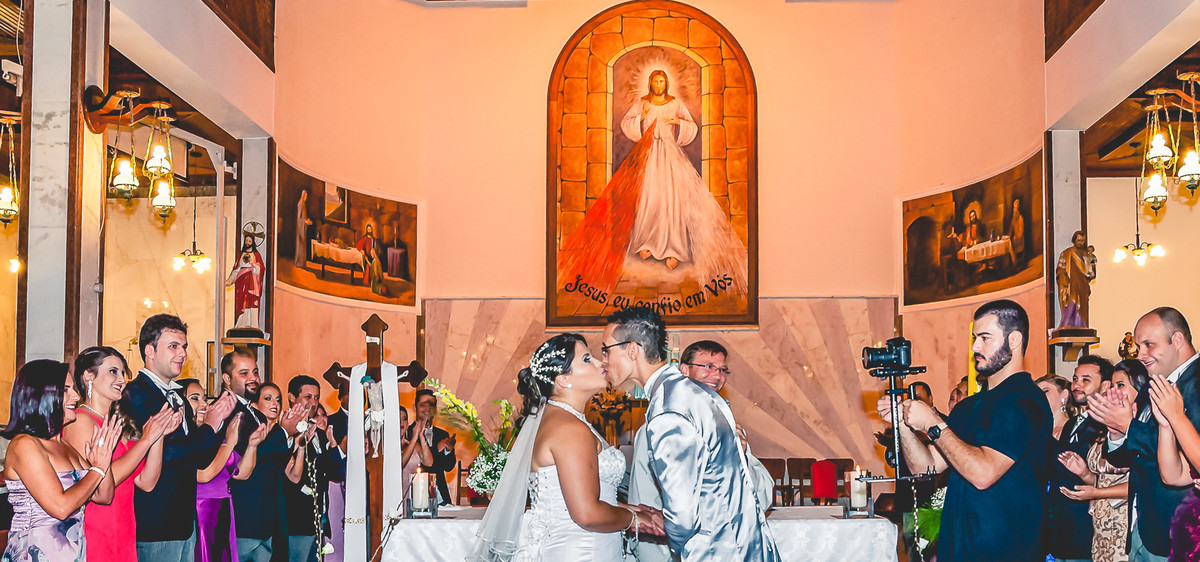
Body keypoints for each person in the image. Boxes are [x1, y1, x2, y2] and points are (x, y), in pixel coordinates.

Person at [877, 299, 1051, 562]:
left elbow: (983, 474)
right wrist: (900, 424)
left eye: (985, 338)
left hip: (1007, 550)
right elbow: (925, 468)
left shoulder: (1025, 401)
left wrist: (934, 424)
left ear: (1014, 340)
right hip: (958, 548)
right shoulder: (968, 406)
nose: (975, 347)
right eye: (974, 338)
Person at [604, 307, 778, 561]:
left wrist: (676, 543)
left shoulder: (667, 410)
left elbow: (683, 516)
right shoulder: (697, 395)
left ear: (632, 350)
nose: (604, 361)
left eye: (606, 349)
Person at [469, 333, 662, 561]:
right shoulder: (570, 428)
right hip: (582, 550)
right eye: (587, 359)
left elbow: (569, 494)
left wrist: (631, 509)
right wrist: (637, 520)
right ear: (563, 379)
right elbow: (587, 513)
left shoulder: (560, 419)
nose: (600, 362)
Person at [1088, 307, 1200, 562]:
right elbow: (1137, 454)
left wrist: (1129, 426)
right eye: (1139, 346)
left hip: (1179, 531)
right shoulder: (1158, 384)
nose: (1141, 355)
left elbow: (1187, 454)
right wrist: (1116, 432)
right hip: (1143, 524)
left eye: (1149, 345)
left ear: (1178, 340)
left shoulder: (1196, 382)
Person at [122, 313, 237, 562]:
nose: (182, 353)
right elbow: (166, 453)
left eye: (184, 346)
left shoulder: (179, 398)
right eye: (173, 346)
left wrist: (218, 428)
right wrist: (209, 427)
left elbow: (201, 457)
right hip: (155, 523)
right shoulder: (135, 394)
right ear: (149, 351)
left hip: (184, 522)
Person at [63, 346, 180, 561]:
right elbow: (100, 481)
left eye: (123, 372)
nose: (122, 379)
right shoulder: (79, 421)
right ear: (89, 376)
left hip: (125, 527)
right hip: (97, 525)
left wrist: (158, 436)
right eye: (113, 371)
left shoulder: (119, 425)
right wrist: (145, 440)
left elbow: (147, 482)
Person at [1, 361, 123, 562]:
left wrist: (104, 456)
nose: (76, 396)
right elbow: (61, 508)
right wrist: (97, 469)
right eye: (66, 390)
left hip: (72, 552)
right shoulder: (25, 445)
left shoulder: (66, 446)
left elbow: (104, 495)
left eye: (74, 389)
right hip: (36, 554)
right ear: (41, 395)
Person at [220, 351, 302, 562]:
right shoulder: (227, 410)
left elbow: (271, 464)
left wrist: (291, 438)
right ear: (227, 379)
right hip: (243, 517)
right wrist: (284, 432)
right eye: (244, 373)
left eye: (255, 372)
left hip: (262, 518)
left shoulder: (251, 413)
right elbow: (249, 459)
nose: (253, 378)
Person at [1059, 360, 1144, 562]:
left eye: (1120, 385)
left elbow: (1141, 482)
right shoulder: (1103, 426)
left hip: (1125, 523)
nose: (1114, 391)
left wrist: (1098, 493)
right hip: (1101, 523)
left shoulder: (1143, 428)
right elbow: (1101, 478)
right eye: (1113, 386)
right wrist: (1084, 473)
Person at [177, 379, 268, 562]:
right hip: (200, 510)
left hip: (224, 508)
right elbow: (203, 475)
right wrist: (229, 443)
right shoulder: (185, 438)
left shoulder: (214, 436)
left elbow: (242, 473)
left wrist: (252, 445)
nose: (203, 404)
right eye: (195, 399)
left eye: (204, 398)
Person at [1044, 356, 1113, 562]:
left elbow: (1113, 477)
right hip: (1061, 525)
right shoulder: (1072, 423)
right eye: (1075, 379)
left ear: (1105, 385)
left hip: (1086, 526)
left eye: (1086, 380)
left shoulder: (1106, 425)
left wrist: (1084, 472)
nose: (1077, 385)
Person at [408, 389, 457, 506]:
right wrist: (437, 448)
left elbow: (448, 467)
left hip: (441, 497)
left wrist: (448, 451)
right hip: (414, 496)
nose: (427, 409)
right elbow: (423, 464)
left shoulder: (443, 435)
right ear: (415, 407)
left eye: (431, 405)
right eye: (423, 405)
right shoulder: (407, 433)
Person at [1056, 230, 1096, 329]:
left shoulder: (1087, 254)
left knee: (1082, 306)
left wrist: (1091, 262)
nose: (1081, 243)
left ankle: (1081, 324)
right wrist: (1063, 277)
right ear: (1074, 240)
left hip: (1082, 284)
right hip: (1070, 284)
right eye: (1078, 240)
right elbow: (1060, 268)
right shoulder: (1066, 253)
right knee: (1071, 302)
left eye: (1082, 241)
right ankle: (1068, 324)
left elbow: (1092, 273)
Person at [226, 234, 266, 330]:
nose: (247, 243)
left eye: (249, 241)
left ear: (252, 242)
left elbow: (261, 268)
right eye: (246, 241)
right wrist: (230, 279)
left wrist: (254, 265)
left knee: (252, 302)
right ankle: (241, 324)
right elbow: (236, 269)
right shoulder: (241, 255)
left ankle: (253, 325)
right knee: (242, 302)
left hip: (252, 283)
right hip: (242, 283)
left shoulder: (256, 255)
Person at [399, 405, 434, 505]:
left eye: (404, 419)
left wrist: (421, 436)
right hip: (396, 494)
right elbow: (400, 464)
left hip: (415, 495)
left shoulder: (414, 445)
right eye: (398, 418)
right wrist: (414, 438)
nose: (402, 422)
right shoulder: (386, 447)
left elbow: (429, 462)